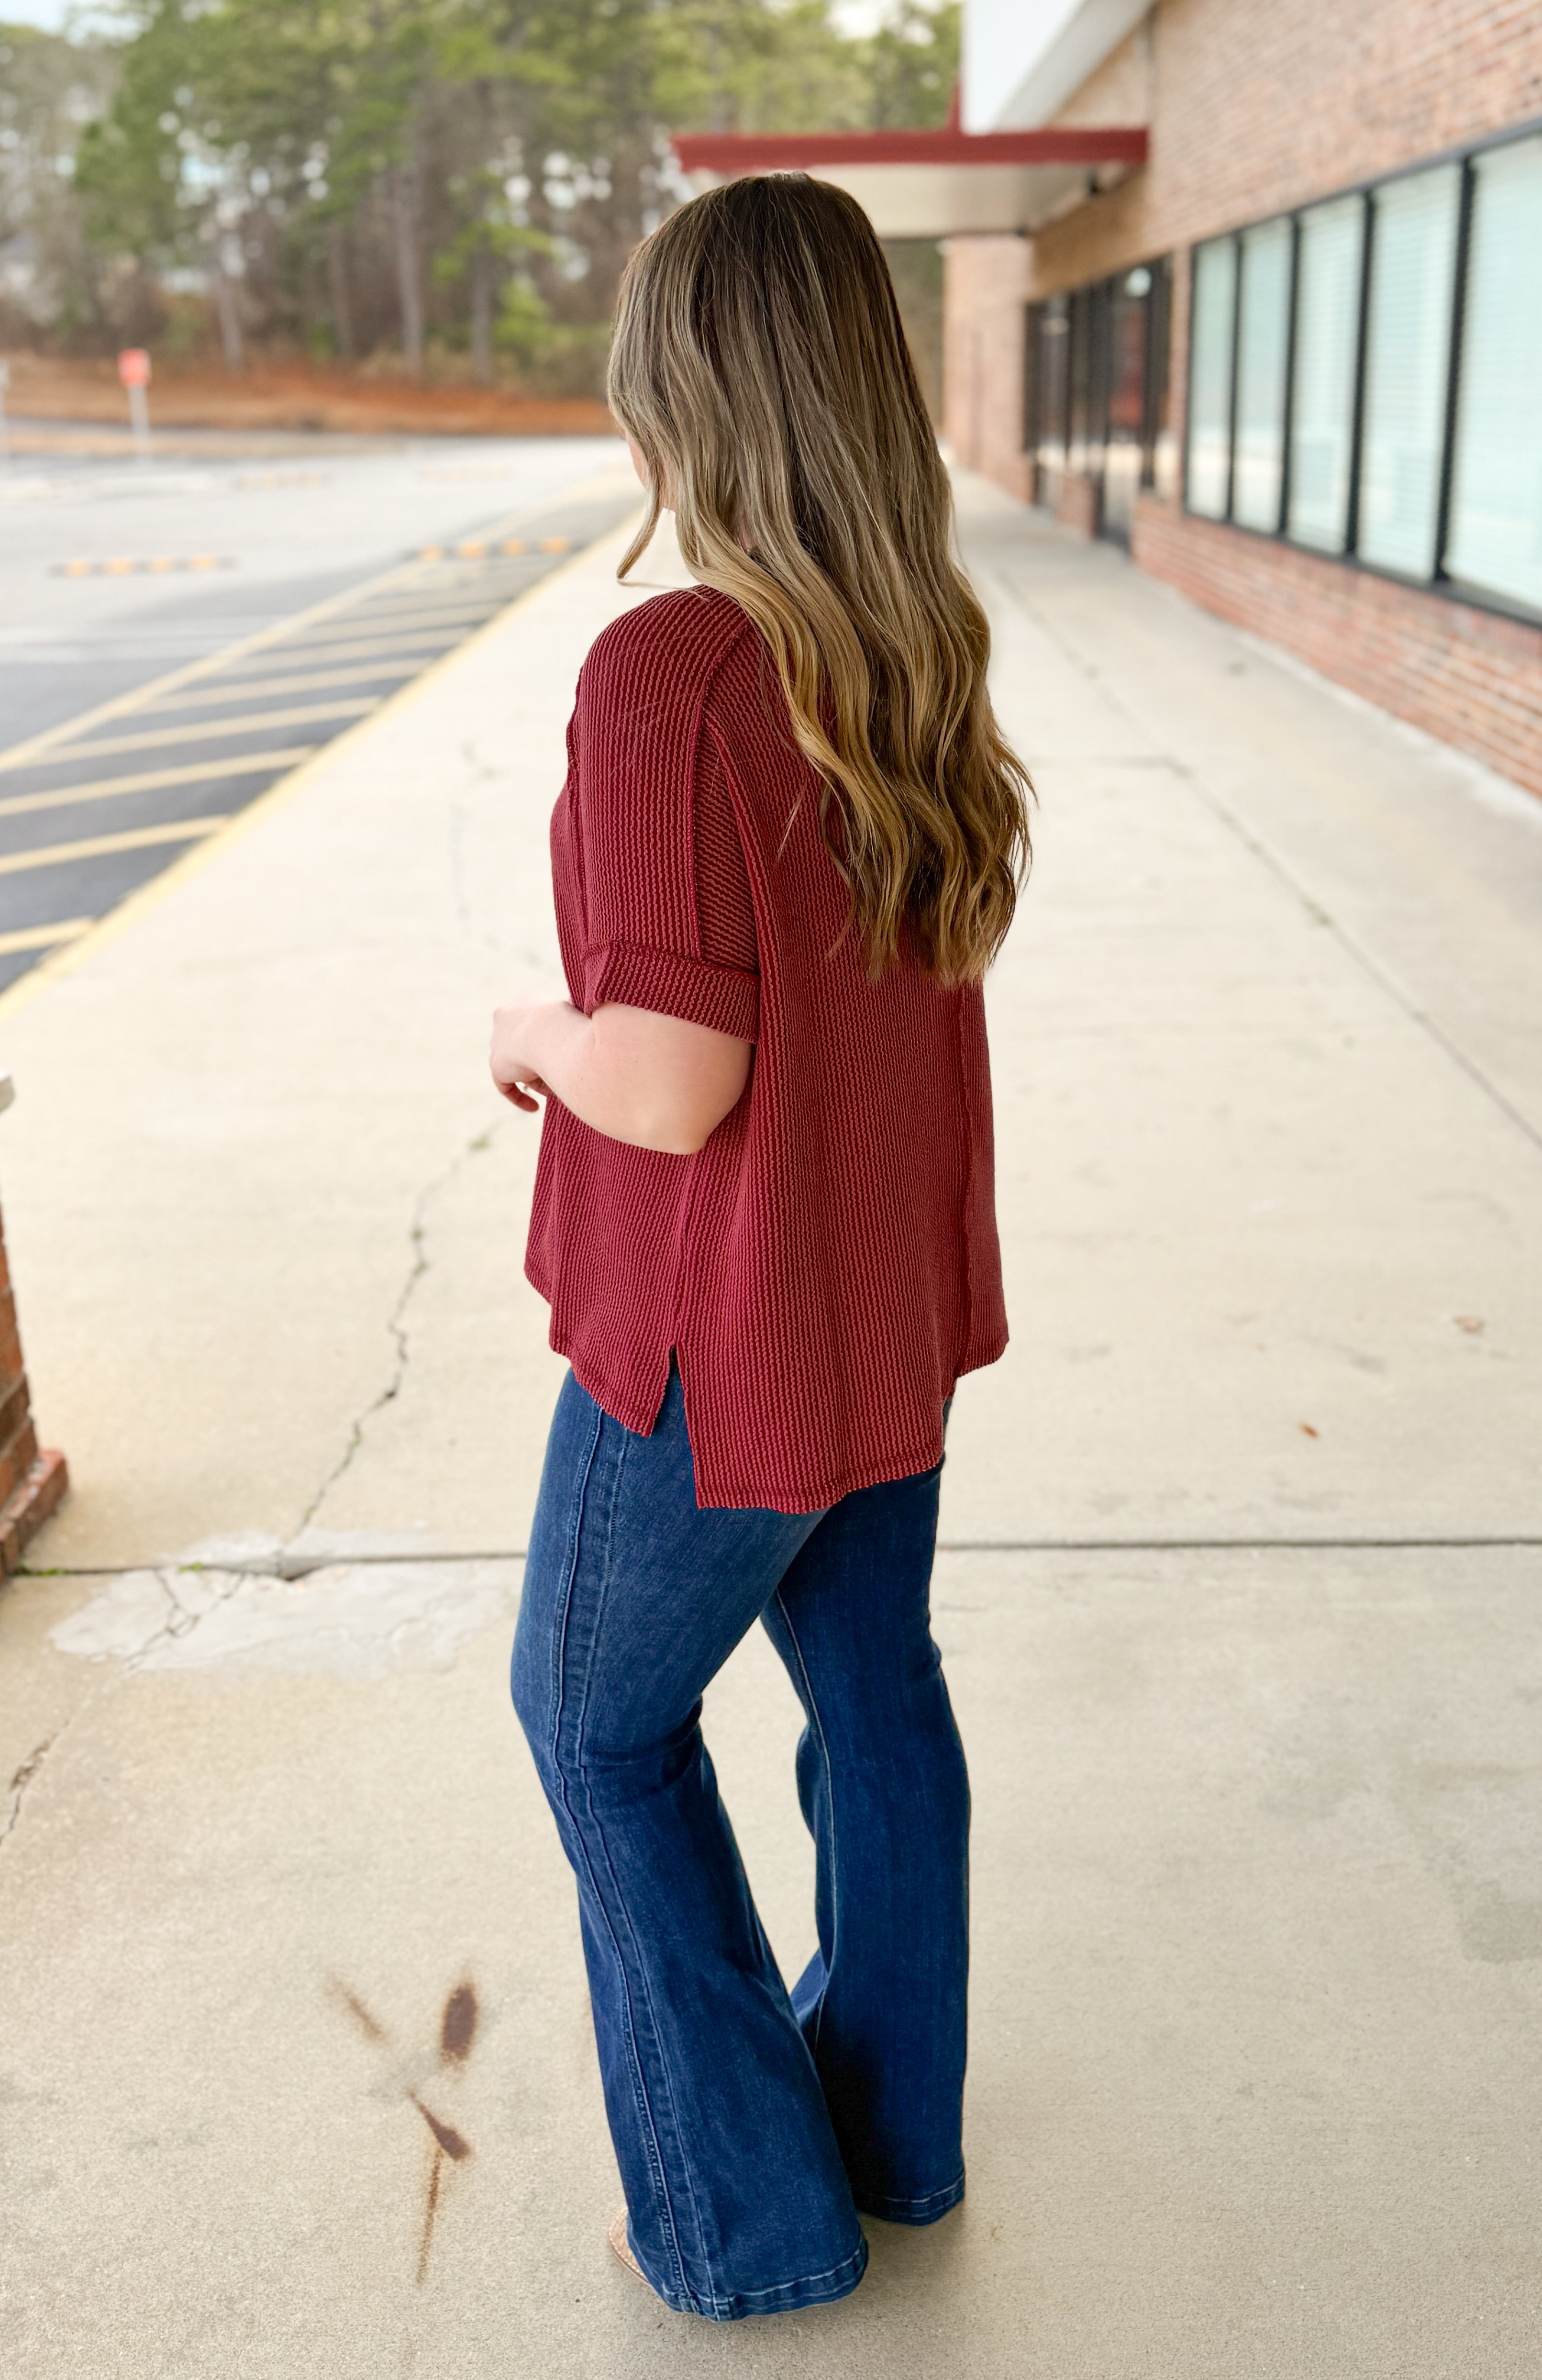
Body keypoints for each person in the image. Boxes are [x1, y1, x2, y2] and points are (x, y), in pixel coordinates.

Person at [489, 171, 1033, 2324]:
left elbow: (673, 1075)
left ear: (683, 385)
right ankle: (894, 2136)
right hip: (877, 1306)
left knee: (593, 1720)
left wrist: (525, 1030)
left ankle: (742, 2212)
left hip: (720, 1337)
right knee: (872, 1692)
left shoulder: (671, 669)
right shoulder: (910, 645)